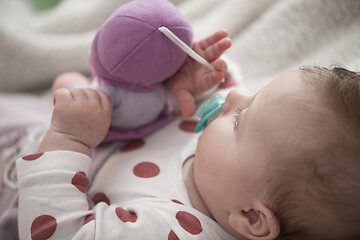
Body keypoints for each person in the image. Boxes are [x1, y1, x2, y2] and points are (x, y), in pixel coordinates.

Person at [13, 37, 360, 239]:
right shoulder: (228, 172)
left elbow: (60, 233)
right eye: (254, 95)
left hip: (17, 189)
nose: (235, 100)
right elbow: (227, 92)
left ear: (252, 218)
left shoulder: (171, 230)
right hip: (35, 126)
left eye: (240, 120)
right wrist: (190, 85)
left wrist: (68, 137)